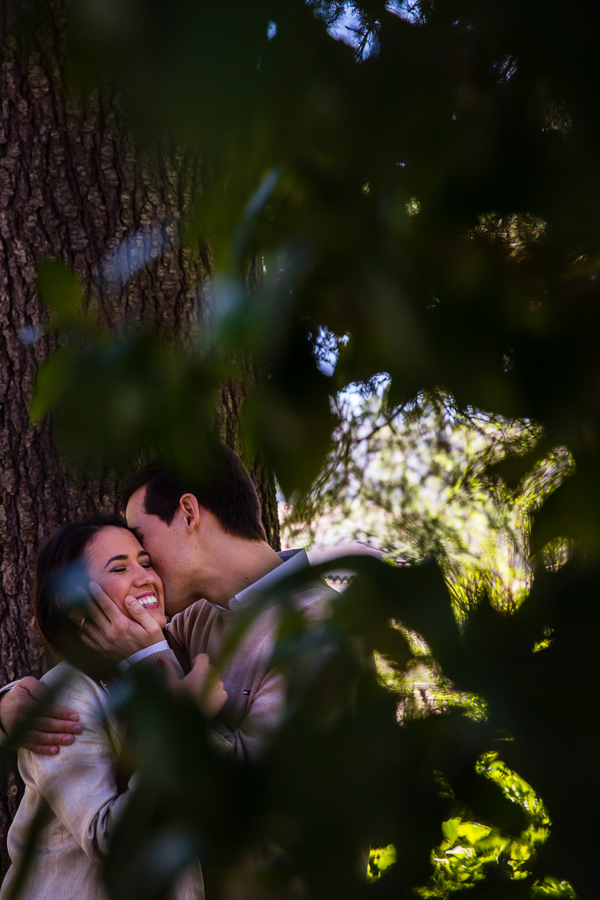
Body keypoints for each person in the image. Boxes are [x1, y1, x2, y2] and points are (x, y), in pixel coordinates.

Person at [0, 445, 338, 761]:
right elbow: (104, 660)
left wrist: (152, 665)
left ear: (188, 514)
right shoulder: (196, 618)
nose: (143, 563)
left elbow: (250, 795)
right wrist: (10, 705)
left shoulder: (322, 626)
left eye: (141, 540)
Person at [0, 515, 223, 900]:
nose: (145, 577)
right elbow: (111, 840)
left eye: (146, 562)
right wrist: (188, 724)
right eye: (120, 568)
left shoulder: (175, 664)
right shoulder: (67, 696)